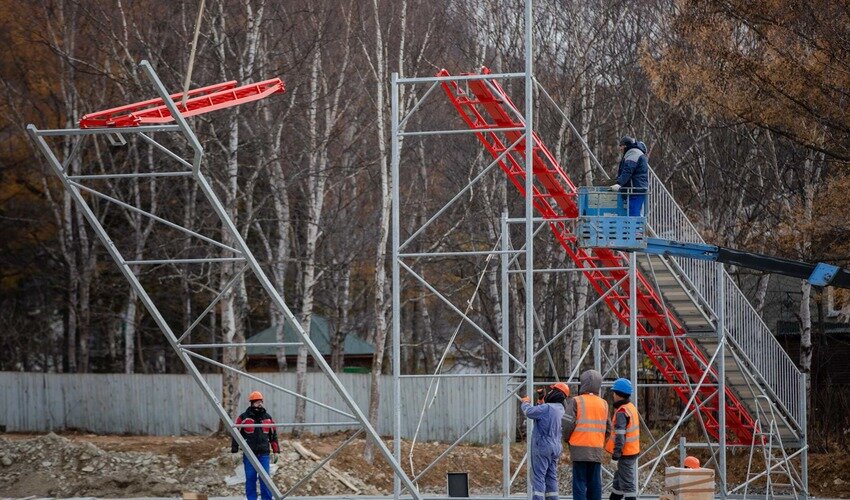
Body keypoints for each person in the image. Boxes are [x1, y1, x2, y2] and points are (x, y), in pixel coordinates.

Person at [562, 370, 610, 500]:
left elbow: (567, 424)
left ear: (582, 383)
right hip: (596, 450)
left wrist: (567, 439)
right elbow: (609, 429)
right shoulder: (604, 403)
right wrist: (599, 440)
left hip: (578, 449)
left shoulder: (576, 401)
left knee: (579, 484)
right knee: (595, 483)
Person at [521, 383, 570, 500]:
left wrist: (525, 403)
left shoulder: (547, 408)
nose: (549, 392)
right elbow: (544, 416)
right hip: (556, 447)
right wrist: (540, 400)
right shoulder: (561, 409)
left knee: (538, 477)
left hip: (543, 446)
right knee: (551, 477)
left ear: (556, 393)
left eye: (551, 390)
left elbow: (529, 412)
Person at [231, 390, 280, 500]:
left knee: (265, 479)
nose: (260, 403)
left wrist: (276, 451)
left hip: (264, 454)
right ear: (251, 403)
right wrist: (234, 451)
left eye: (260, 401)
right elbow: (235, 434)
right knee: (251, 478)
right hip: (249, 454)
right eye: (257, 402)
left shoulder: (267, 418)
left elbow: (273, 435)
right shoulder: (243, 418)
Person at [605, 378, 640, 500]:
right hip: (632, 451)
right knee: (618, 484)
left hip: (625, 453)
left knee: (627, 486)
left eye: (614, 392)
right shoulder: (630, 407)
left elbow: (620, 436)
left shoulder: (622, 411)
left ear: (618, 394)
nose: (613, 395)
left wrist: (615, 456)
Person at [607, 136, 649, 216]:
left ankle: (636, 228)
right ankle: (636, 227)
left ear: (626, 145)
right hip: (637, 188)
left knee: (633, 212)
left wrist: (619, 183)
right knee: (633, 211)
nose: (620, 148)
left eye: (621, 145)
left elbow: (628, 171)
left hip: (636, 189)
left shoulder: (633, 153)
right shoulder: (634, 153)